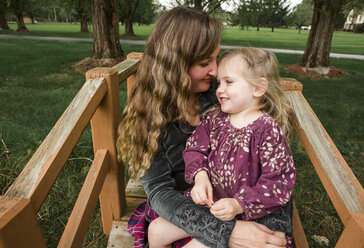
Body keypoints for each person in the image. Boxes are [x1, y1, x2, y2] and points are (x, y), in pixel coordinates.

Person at [117, 6, 288, 248]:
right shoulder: (146, 118)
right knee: (158, 233)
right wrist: (229, 231)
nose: (216, 70)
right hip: (186, 207)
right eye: (205, 62)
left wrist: (271, 228)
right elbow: (160, 193)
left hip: (238, 202)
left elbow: (271, 169)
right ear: (175, 65)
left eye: (216, 58)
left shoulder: (224, 97)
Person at [147, 47, 296, 248]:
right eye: (219, 83)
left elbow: (277, 183)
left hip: (251, 213)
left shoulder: (267, 131)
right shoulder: (214, 118)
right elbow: (195, 149)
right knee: (155, 231)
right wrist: (200, 178)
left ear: (258, 88)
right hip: (213, 205)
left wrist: (238, 204)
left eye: (229, 82)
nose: (219, 89)